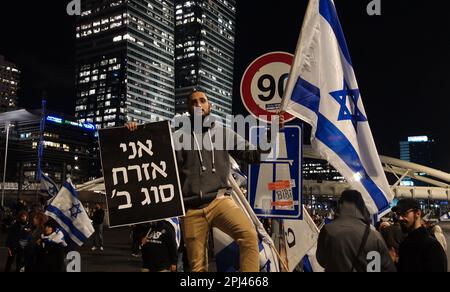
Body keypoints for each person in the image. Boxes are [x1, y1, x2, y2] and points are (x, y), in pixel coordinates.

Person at [127, 89, 284, 272]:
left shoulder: (224, 133)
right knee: (197, 267)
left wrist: (272, 131)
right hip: (191, 209)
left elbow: (255, 155)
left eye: (202, 100)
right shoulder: (177, 137)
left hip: (220, 201)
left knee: (249, 236)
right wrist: (134, 134)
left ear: (210, 106)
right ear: (188, 108)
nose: (198, 104)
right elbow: (154, 161)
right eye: (194, 102)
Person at [316, 190, 396, 272]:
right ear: (361, 207)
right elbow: (382, 268)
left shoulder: (328, 230)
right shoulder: (374, 236)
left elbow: (321, 260)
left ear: (340, 205)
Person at [394, 198, 448, 272]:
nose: (399, 218)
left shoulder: (432, 246)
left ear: (417, 213)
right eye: (398, 214)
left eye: (404, 213)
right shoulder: (404, 244)